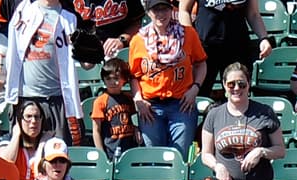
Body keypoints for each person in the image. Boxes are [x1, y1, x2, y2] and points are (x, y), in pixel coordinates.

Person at [199, 62, 286, 180]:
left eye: (241, 84)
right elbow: (206, 154)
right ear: (224, 85)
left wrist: (261, 152)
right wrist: (218, 166)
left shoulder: (265, 112)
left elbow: (280, 150)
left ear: (249, 84)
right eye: (231, 84)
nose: (236, 88)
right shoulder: (214, 115)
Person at [128, 0, 207, 153]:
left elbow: (201, 63)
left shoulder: (188, 34)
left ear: (171, 10)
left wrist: (195, 89)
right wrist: (138, 99)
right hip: (151, 108)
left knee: (179, 155)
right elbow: (134, 76)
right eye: (155, 9)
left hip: (181, 104)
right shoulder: (138, 40)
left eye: (164, 9)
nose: (160, 14)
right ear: (148, 12)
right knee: (154, 157)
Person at [3, 0, 83, 145]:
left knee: (58, 155)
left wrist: (92, 54)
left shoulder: (71, 17)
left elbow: (85, 62)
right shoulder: (22, 11)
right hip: (26, 97)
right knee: (25, 155)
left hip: (57, 100)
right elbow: (13, 54)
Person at [179, 0, 272, 100]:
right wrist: (191, 40)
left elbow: (253, 13)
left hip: (237, 46)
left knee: (237, 96)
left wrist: (263, 38)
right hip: (204, 46)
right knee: (198, 95)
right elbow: (184, 10)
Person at [90, 58, 142, 161]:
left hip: (130, 149)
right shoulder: (100, 101)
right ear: (104, 79)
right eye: (108, 79)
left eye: (117, 78)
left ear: (124, 79)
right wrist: (101, 155)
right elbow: (96, 130)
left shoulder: (129, 99)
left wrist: (136, 128)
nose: (113, 82)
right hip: (110, 150)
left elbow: (133, 120)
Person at [0, 98, 52, 179]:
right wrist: (16, 135)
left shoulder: (50, 141)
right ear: (19, 120)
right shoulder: (8, 139)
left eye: (37, 117)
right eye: (28, 117)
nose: (34, 121)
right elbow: (5, 163)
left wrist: (42, 144)